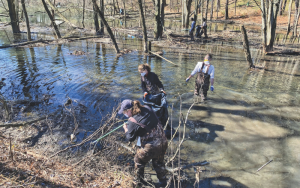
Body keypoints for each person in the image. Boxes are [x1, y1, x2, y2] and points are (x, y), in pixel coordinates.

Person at [119, 99, 168, 187]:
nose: (124, 114)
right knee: (159, 162)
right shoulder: (147, 108)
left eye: (124, 112)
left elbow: (130, 138)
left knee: (138, 161)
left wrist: (126, 128)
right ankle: (163, 183)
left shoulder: (131, 121)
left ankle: (140, 182)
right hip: (163, 141)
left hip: (151, 146)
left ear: (129, 110)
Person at [138, 64, 174, 138]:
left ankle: (160, 123)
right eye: (140, 72)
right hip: (148, 95)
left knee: (158, 110)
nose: (141, 73)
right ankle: (152, 124)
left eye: (142, 72)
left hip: (156, 94)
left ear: (146, 70)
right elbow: (143, 86)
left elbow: (159, 83)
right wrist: (145, 92)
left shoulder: (153, 75)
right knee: (149, 110)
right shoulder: (142, 76)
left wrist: (161, 90)